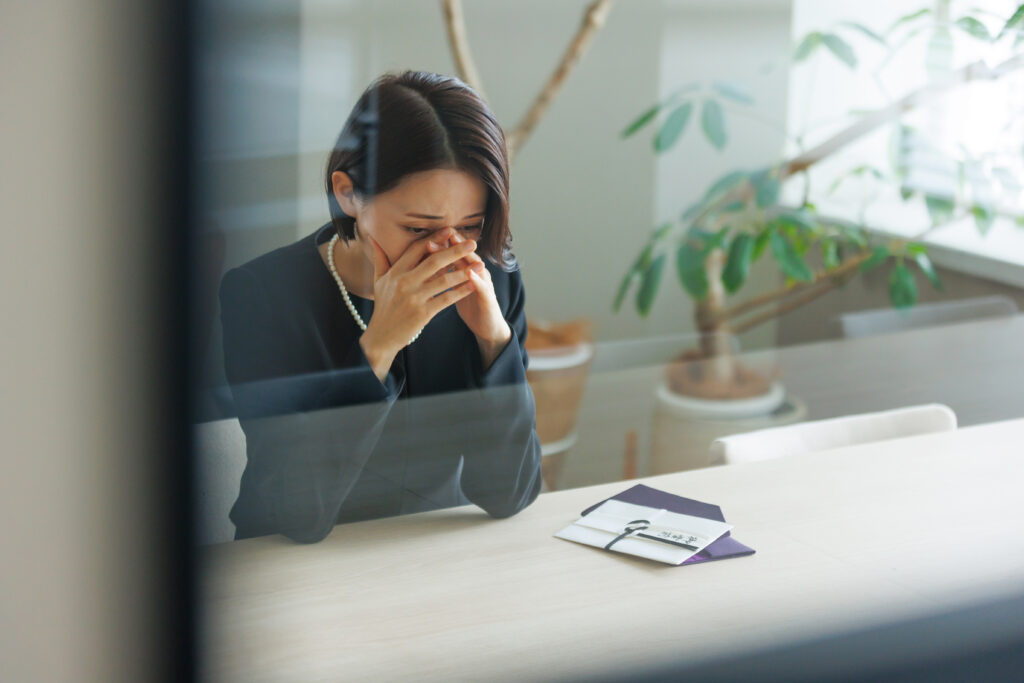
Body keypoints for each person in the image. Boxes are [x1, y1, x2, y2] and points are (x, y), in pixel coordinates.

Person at [219, 71, 542, 543]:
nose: (445, 250)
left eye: (469, 225)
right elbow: (297, 516)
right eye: (417, 229)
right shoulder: (263, 295)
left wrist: (495, 343)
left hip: (433, 553)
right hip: (294, 566)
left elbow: (509, 494)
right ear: (348, 193)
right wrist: (379, 345)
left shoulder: (491, 279)